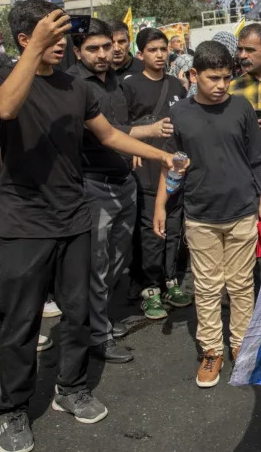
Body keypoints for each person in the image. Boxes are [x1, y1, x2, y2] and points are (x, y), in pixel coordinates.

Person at [0, 0, 175, 452]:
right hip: (24, 222)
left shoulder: (76, 87)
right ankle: (13, 409)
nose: (64, 43)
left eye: (65, 33)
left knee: (79, 311)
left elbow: (109, 135)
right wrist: (32, 54)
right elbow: (5, 109)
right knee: (21, 322)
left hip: (74, 214)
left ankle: (71, 388)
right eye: (54, 34)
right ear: (26, 40)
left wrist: (159, 154)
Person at [155, 41, 261, 388]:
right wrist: (160, 205)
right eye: (212, 78)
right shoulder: (179, 115)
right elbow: (172, 166)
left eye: (226, 77)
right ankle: (211, 350)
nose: (221, 85)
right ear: (194, 76)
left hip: (242, 213)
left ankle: (241, 344)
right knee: (206, 288)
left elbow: (257, 159)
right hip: (200, 215)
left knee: (241, 285)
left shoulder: (242, 108)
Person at [68, 18, 175, 363]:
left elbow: (122, 132)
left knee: (119, 259)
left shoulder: (115, 81)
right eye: (93, 48)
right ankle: (97, 335)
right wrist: (148, 136)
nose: (104, 53)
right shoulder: (73, 85)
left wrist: (133, 153)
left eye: (108, 46)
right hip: (93, 184)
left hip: (124, 181)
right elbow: (110, 133)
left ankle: (98, 319)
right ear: (77, 51)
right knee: (97, 264)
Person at [123, 28, 191, 320]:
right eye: (153, 50)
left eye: (163, 49)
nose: (160, 54)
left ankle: (171, 282)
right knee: (152, 230)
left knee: (174, 229)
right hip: (146, 171)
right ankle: (149, 289)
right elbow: (120, 129)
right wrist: (134, 148)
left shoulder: (177, 85)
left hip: (175, 169)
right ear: (140, 55)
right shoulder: (130, 86)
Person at [228, 24, 261, 292]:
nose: (241, 55)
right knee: (254, 252)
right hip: (247, 187)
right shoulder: (231, 89)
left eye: (250, 49)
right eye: (240, 49)